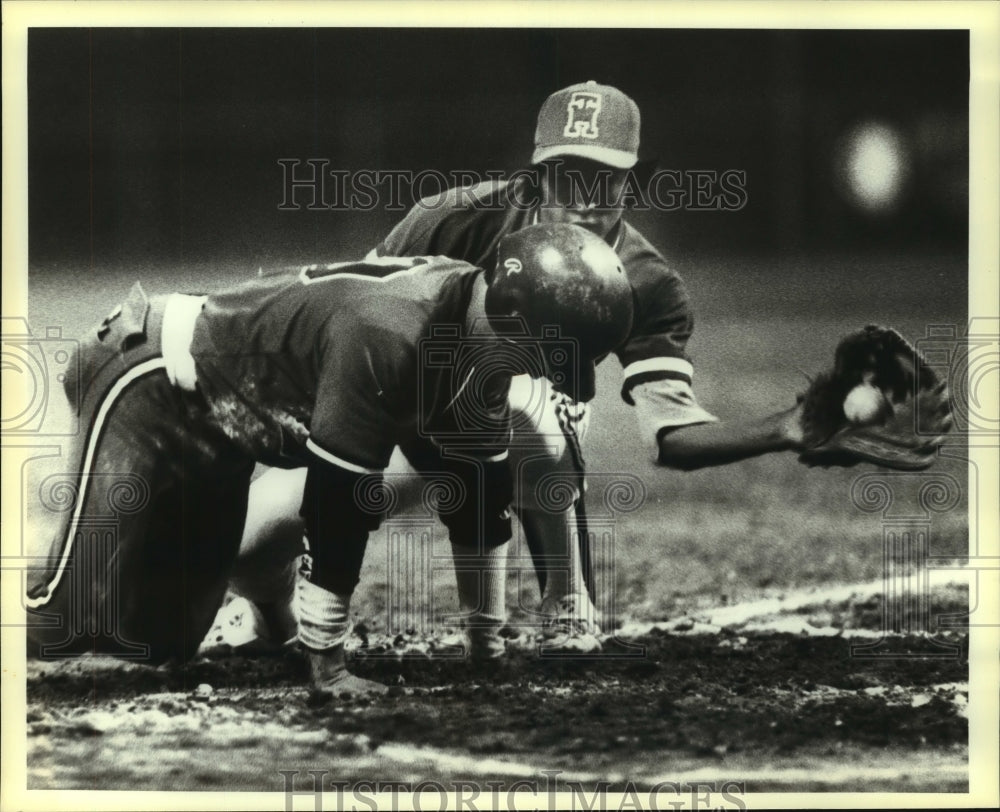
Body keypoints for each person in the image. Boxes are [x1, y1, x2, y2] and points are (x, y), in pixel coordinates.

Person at [24, 223, 635, 698]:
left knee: (157, 637)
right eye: (543, 355)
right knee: (61, 620)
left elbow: (479, 500)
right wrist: (329, 664)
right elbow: (337, 504)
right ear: (515, 324)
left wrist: (485, 649)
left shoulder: (473, 329)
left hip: (223, 429)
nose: (540, 373)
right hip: (151, 379)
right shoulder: (389, 330)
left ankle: (258, 617)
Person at [227, 80, 721, 656]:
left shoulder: (645, 278)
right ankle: (267, 610)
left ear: (631, 182)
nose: (585, 197)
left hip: (519, 427)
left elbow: (670, 434)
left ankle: (566, 599)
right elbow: (361, 333)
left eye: (605, 178)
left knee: (527, 402)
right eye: (569, 176)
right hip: (409, 424)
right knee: (243, 548)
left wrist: (791, 425)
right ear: (536, 176)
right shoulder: (451, 218)